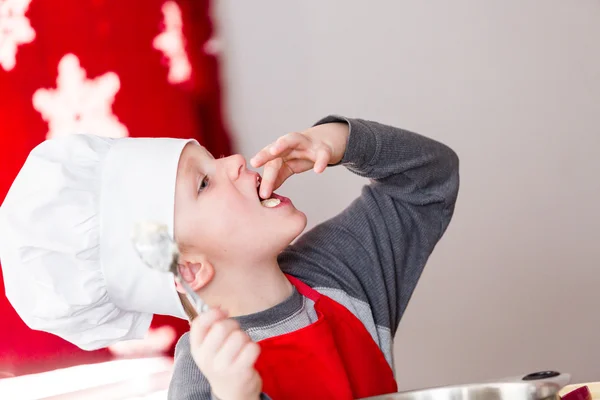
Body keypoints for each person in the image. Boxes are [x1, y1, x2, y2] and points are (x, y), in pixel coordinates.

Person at [0, 115, 459, 399]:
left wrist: (343, 140)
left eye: (213, 158)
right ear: (188, 268)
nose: (237, 161)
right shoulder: (204, 377)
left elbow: (429, 182)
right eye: (204, 182)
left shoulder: (340, 273)